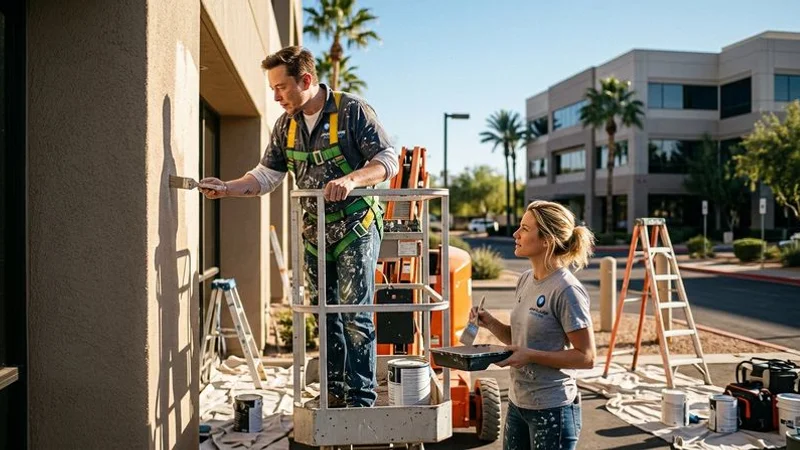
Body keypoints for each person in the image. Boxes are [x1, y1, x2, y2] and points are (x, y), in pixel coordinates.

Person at [199, 46, 398, 408]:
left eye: (281, 87)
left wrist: (352, 180)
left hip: (355, 228)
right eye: (272, 88)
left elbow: (388, 160)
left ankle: (360, 400)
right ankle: (333, 391)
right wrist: (227, 188)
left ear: (306, 80)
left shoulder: (352, 111)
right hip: (315, 234)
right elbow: (265, 176)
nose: (275, 96)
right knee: (325, 316)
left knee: (354, 314)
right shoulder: (285, 126)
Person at [470, 200, 596, 450]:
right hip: (519, 404)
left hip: (553, 409)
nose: (516, 234)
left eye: (524, 229)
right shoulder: (526, 279)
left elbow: (587, 357)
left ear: (547, 240)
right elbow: (520, 342)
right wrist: (491, 323)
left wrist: (530, 356)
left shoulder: (567, 289)